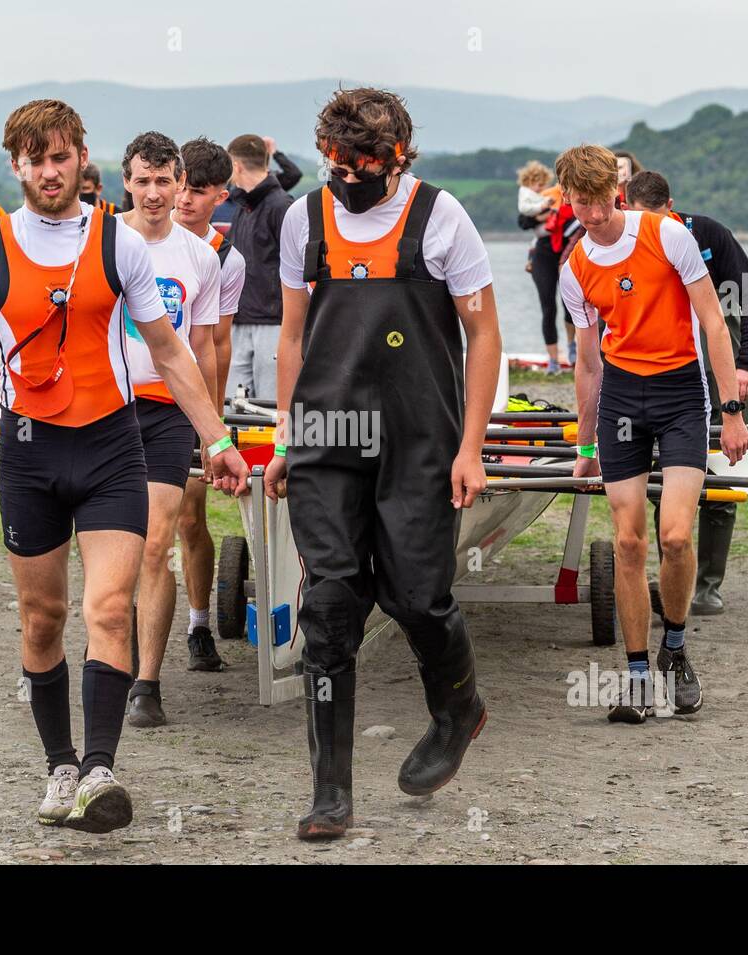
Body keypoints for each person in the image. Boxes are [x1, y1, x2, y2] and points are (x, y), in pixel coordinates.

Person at [0, 100, 248, 835]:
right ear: (16, 165)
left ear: (82, 158)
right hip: (30, 450)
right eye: (36, 159)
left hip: (113, 444)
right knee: (42, 617)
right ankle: (61, 762)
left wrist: (216, 439)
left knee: (109, 607)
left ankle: (101, 770)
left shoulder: (122, 246)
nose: (51, 172)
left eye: (62, 157)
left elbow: (175, 352)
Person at [269, 87, 500, 840]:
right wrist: (284, 436)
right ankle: (330, 792)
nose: (353, 179)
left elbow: (485, 336)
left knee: (418, 596)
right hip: (326, 439)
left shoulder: (442, 219)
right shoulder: (303, 219)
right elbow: (294, 338)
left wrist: (472, 447)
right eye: (340, 166)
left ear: (398, 157)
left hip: (419, 439)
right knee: (329, 610)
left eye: (369, 166)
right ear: (326, 157)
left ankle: (457, 706)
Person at [557, 144, 748, 724]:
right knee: (628, 543)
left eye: (597, 202)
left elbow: (713, 321)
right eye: (578, 204)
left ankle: (675, 648)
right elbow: (587, 365)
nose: (589, 215)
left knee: (675, 537)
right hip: (621, 402)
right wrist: (586, 446)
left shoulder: (667, 235)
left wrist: (731, 411)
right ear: (568, 200)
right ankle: (637, 676)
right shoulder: (575, 270)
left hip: (681, 396)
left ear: (616, 193)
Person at [115, 132, 224, 725]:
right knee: (114, 545)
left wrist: (214, 430)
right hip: (106, 406)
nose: (154, 193)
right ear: (126, 183)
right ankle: (110, 648)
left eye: (165, 181)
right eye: (143, 181)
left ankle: (147, 683)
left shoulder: (200, 257)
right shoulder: (101, 242)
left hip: (166, 410)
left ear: (180, 185)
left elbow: (203, 348)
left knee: (158, 543)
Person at [625, 170, 748, 615]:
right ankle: (674, 571)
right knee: (666, 479)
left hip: (720, 369)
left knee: (718, 478)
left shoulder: (707, 234)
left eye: (656, 218)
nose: (647, 228)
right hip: (664, 372)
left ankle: (708, 585)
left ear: (671, 208)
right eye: (637, 219)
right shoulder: (622, 242)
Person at [173, 136, 245, 672]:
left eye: (196, 193)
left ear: (220, 195)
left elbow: (216, 344)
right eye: (180, 189)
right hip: (139, 398)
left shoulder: (227, 259)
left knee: (190, 521)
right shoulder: (140, 238)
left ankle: (199, 626)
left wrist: (211, 428)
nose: (183, 201)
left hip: (192, 400)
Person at [225, 133, 293, 399]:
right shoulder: (243, 206)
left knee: (270, 408)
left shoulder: (281, 206)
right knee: (232, 408)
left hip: (273, 324)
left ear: (237, 165)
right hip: (239, 320)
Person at [516, 160, 572, 374]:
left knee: (571, 304)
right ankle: (553, 359)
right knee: (548, 306)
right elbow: (523, 221)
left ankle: (573, 348)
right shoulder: (542, 196)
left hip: (566, 249)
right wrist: (544, 214)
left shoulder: (570, 194)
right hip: (543, 250)